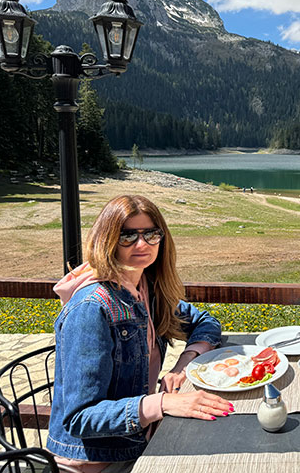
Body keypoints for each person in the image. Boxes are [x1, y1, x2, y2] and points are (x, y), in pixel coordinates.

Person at [47, 195, 232, 473]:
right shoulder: (92, 308)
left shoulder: (147, 286)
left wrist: (184, 365)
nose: (142, 244)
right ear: (106, 240)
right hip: (97, 461)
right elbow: (79, 418)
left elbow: (204, 322)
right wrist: (164, 402)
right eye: (127, 236)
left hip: (139, 440)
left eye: (151, 234)